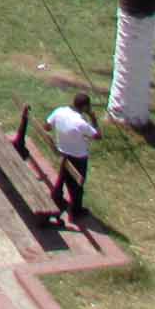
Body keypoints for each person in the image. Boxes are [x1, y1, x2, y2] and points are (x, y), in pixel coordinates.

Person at [46, 91, 99, 223]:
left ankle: (57, 196)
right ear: (85, 107)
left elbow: (46, 126)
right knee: (77, 185)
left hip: (63, 152)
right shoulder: (80, 123)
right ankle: (76, 210)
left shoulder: (60, 111)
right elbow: (97, 136)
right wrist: (93, 118)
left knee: (64, 176)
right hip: (79, 157)